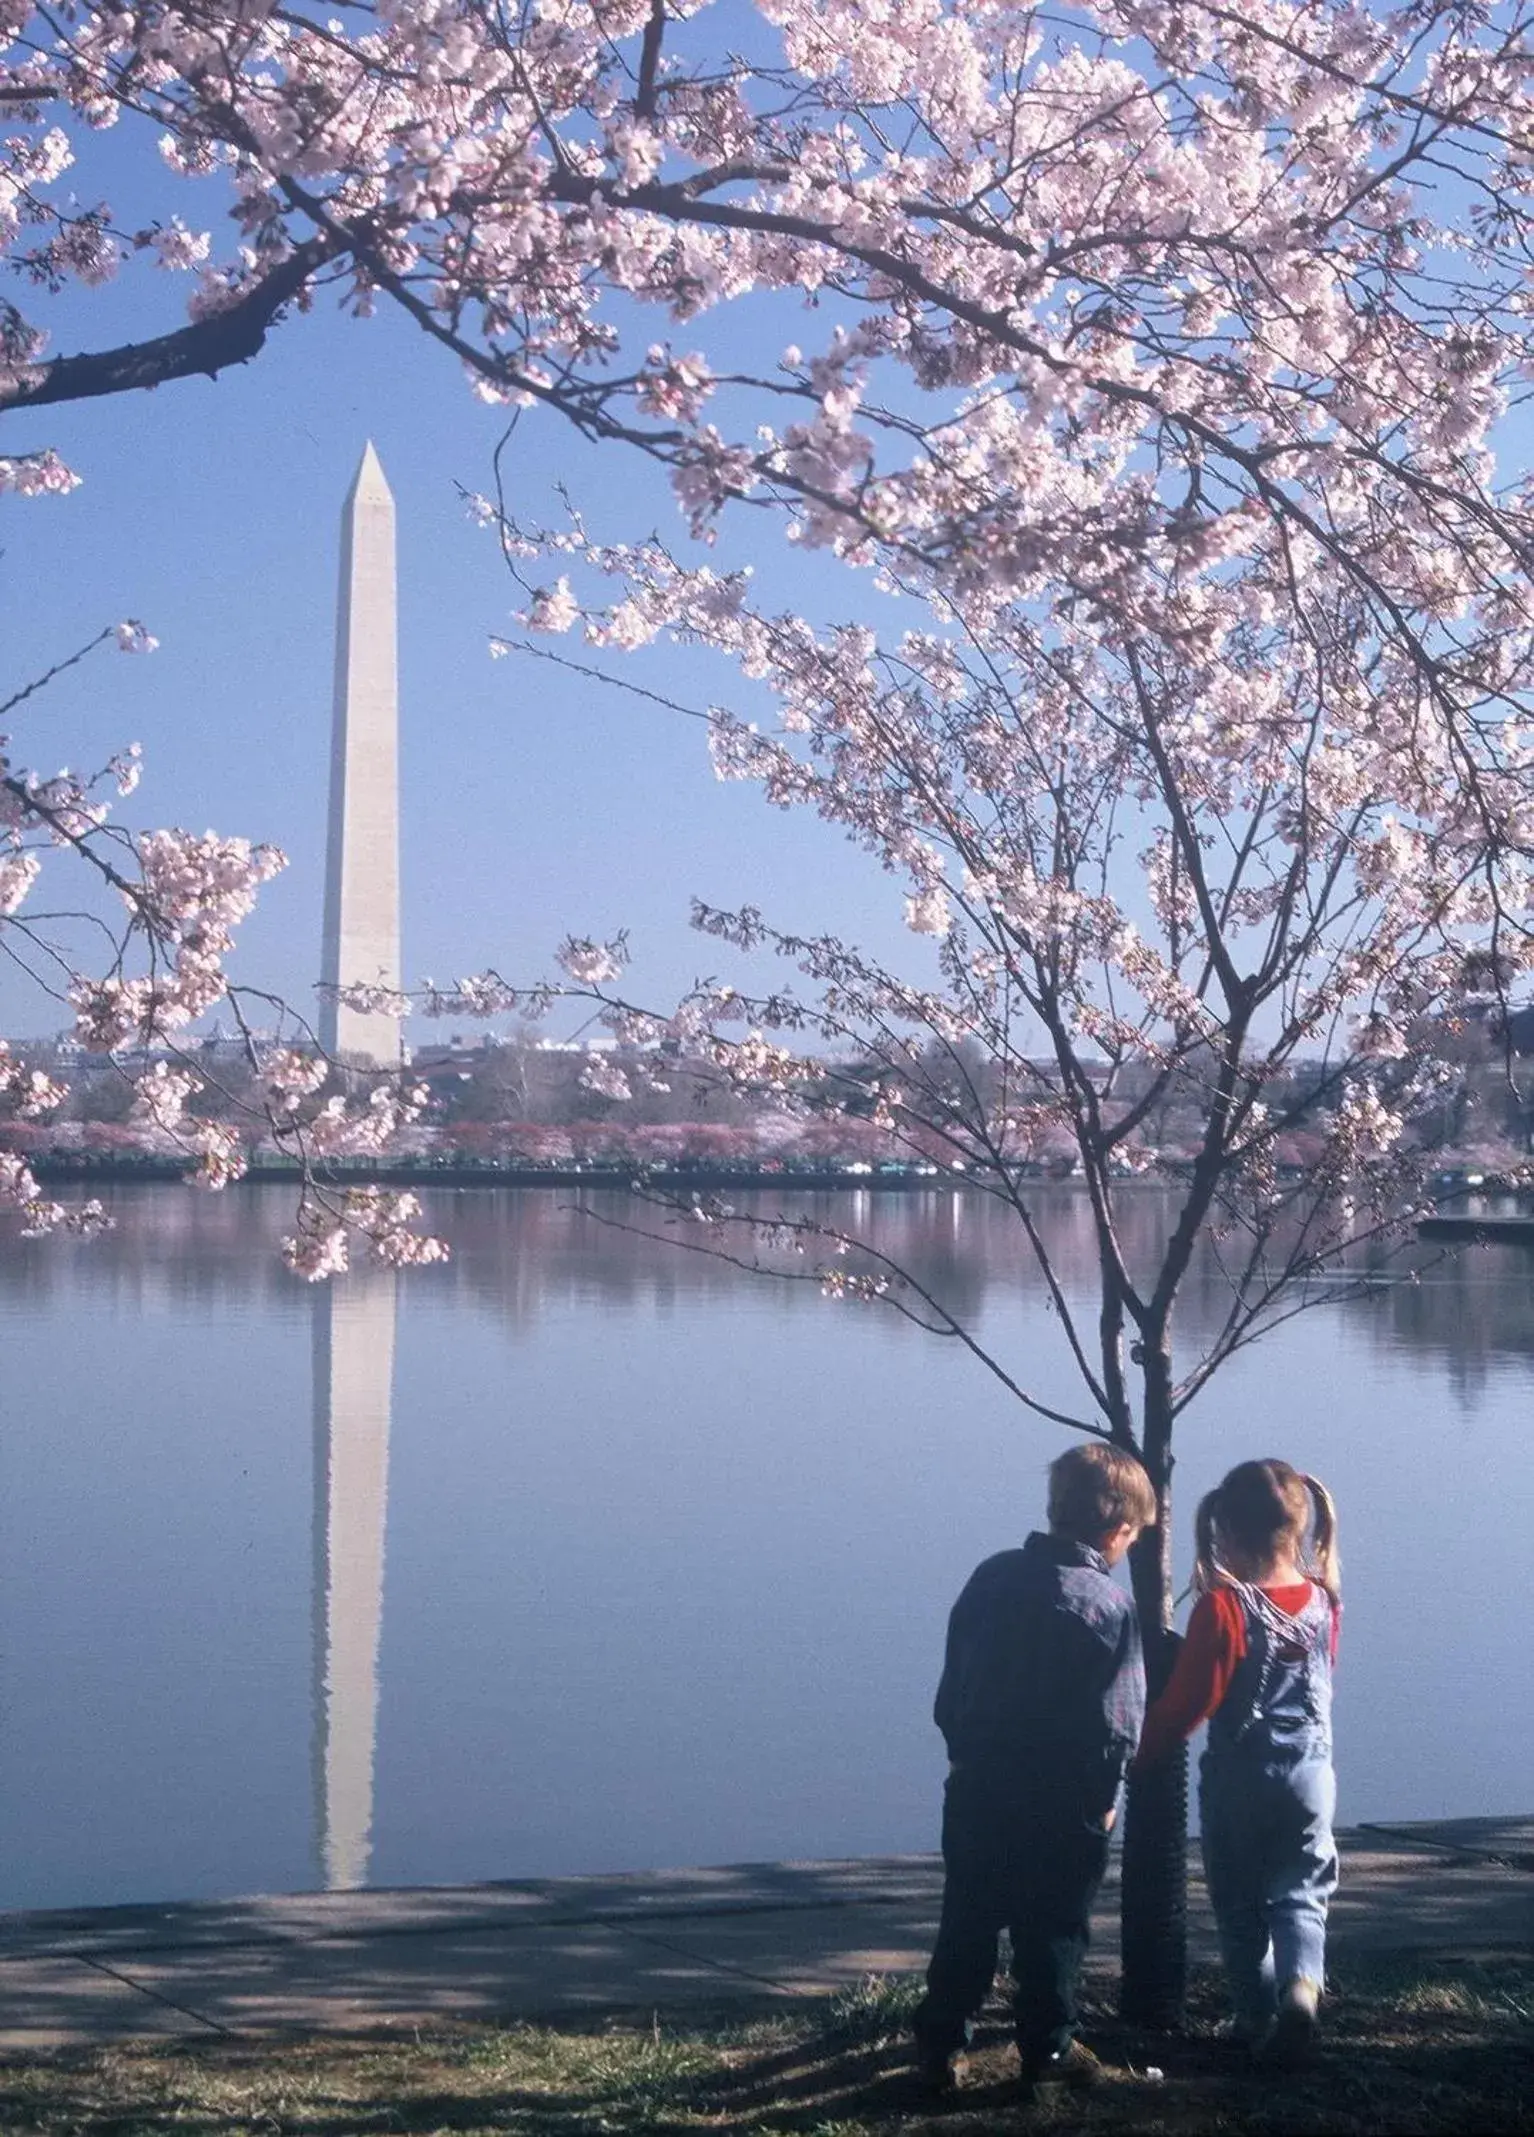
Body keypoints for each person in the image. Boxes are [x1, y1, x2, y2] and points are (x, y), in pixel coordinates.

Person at [912, 1441, 1154, 2099]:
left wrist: (960, 1749)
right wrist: (1106, 1794)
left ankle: (939, 2044)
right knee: (1054, 1926)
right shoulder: (1108, 1605)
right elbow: (1118, 1720)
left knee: (967, 1914)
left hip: (979, 1783)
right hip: (1064, 1796)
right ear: (1118, 1530)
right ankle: (1047, 2044)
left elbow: (953, 1683)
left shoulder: (990, 1577)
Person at [1135, 1458, 1340, 2065]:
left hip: (1240, 1782)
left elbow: (1189, 1704)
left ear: (1225, 1534)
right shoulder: (1324, 1602)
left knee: (1242, 1905)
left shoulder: (1223, 1609)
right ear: (1299, 1528)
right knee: (1302, 1893)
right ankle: (1302, 1990)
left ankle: (1255, 2020)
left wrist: (1141, 1755)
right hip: (1311, 1776)